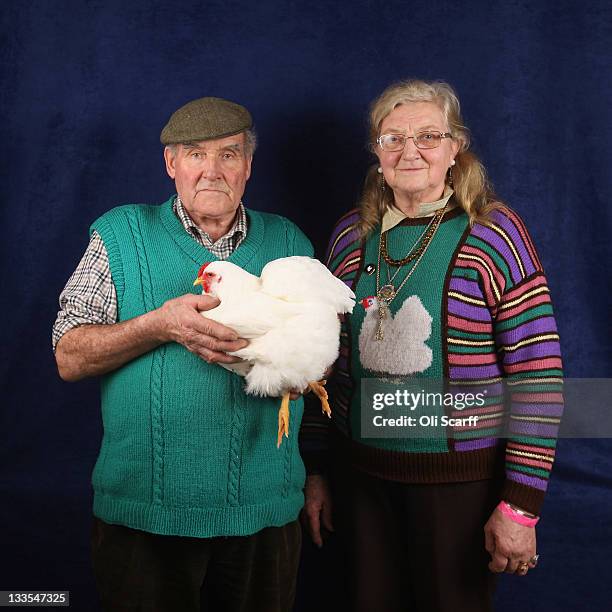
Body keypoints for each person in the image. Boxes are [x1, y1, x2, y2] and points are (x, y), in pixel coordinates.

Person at [300, 80, 563, 612]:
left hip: (460, 489)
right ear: (376, 152)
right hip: (362, 482)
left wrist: (520, 505)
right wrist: (316, 469)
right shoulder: (351, 237)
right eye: (392, 137)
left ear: (454, 149)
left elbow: (538, 372)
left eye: (428, 136)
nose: (409, 150)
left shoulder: (493, 233)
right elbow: (321, 365)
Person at [53, 96, 313, 612]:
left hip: (262, 511)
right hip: (145, 515)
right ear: (171, 164)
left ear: (249, 166)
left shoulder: (288, 242)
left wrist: (296, 364)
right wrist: (160, 325)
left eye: (229, 154)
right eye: (195, 154)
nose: (211, 171)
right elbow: (69, 356)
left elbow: (326, 357)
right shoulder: (121, 234)